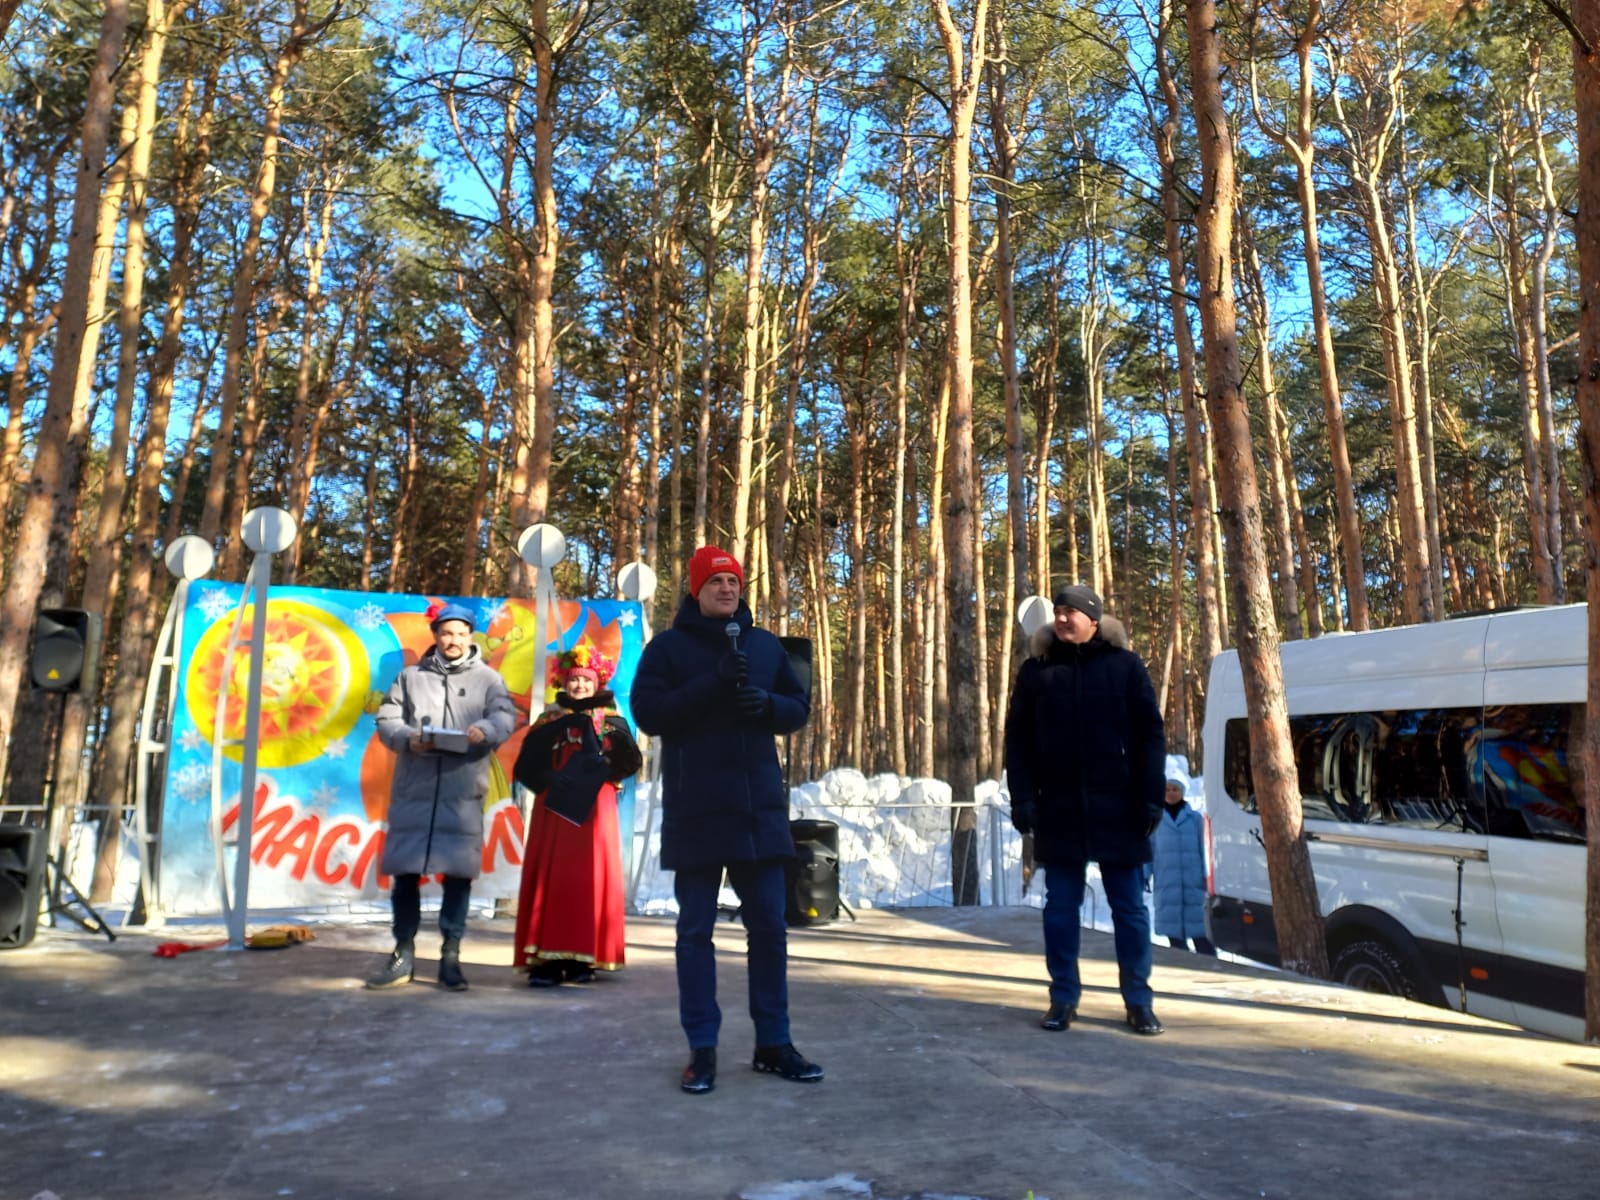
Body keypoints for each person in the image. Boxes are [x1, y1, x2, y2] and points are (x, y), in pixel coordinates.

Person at [632, 545, 820, 1094]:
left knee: (770, 931)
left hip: (758, 811)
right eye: (716, 582)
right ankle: (703, 1048)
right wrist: (711, 681)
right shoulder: (668, 648)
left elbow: (797, 706)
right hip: (697, 810)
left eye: (734, 581)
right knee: (695, 933)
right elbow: (648, 714)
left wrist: (770, 706)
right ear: (696, 590)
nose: (727, 589)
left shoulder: (763, 644)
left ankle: (774, 1043)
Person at [1003, 584, 1167, 1036]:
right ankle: (1062, 998)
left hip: (1121, 807)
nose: (1060, 618)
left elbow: (1150, 735)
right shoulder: (1036, 671)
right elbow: (1017, 740)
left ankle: (1139, 1002)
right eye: (1057, 610)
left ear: (1093, 620)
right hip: (1059, 808)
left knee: (1129, 910)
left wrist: (1151, 796)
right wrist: (1023, 797)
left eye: (1070, 611)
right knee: (1060, 908)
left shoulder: (1126, 667)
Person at [366, 602, 518, 992]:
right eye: (447, 633)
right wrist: (408, 738)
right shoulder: (410, 677)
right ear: (435, 636)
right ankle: (403, 954)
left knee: (457, 878)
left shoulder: (489, 679)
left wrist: (485, 730)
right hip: (414, 791)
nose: (454, 641)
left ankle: (451, 957)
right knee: (405, 876)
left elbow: (505, 716)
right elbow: (387, 719)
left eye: (461, 634)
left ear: (471, 637)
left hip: (461, 792)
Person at [511, 643, 642, 987]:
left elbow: (631, 762)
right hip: (554, 810)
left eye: (586, 680)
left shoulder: (611, 721)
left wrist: (603, 766)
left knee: (589, 878)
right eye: (574, 680)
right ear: (564, 682)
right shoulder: (549, 720)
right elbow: (525, 765)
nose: (580, 685)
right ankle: (546, 959)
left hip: (595, 811)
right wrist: (548, 778)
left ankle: (584, 957)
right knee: (552, 878)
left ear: (597, 683)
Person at [1151, 778, 1216, 956]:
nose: (1171, 793)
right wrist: (1143, 876)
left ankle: (1211, 966)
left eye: (1175, 789)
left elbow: (1205, 850)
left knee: (1202, 935)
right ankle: (1181, 965)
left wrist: (1208, 876)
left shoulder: (1195, 819)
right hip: (1167, 885)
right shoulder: (1155, 820)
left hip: (1193, 884)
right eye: (1167, 790)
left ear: (1182, 792)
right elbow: (1149, 851)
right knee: (1175, 940)